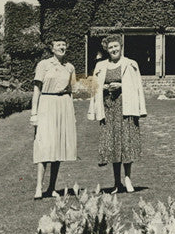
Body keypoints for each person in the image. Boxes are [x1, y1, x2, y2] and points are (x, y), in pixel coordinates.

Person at [88, 35, 146, 193]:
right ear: (107, 49)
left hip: (126, 108)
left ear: (121, 47)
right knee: (113, 145)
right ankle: (116, 182)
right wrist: (105, 88)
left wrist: (121, 85)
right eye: (110, 47)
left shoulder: (130, 64)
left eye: (116, 46)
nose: (113, 50)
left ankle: (127, 178)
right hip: (108, 109)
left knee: (126, 143)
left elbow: (137, 87)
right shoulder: (100, 66)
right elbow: (95, 88)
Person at [30, 36, 77, 199]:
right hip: (46, 103)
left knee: (58, 147)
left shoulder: (70, 67)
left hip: (63, 105)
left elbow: (71, 91)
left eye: (64, 44)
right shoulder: (43, 65)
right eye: (58, 45)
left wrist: (72, 114)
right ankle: (38, 187)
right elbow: (37, 89)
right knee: (44, 146)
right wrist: (34, 113)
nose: (62, 47)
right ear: (52, 48)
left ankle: (52, 187)